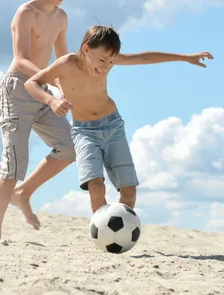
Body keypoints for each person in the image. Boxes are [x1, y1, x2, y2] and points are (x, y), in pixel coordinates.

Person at [24, 25, 213, 213]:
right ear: (86, 48)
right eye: (103, 60)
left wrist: (186, 58)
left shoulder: (107, 62)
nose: (106, 67)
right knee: (96, 187)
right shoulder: (66, 63)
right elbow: (31, 83)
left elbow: (144, 57)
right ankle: (103, 234)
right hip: (84, 132)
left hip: (113, 125)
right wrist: (51, 101)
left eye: (111, 62)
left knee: (129, 193)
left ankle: (118, 235)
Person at [0, 0, 78, 242]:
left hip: (42, 89)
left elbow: (61, 62)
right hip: (16, 91)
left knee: (68, 149)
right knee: (14, 164)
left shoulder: (61, 18)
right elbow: (21, 59)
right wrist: (49, 83)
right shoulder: (26, 12)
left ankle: (22, 193)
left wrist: (66, 89)